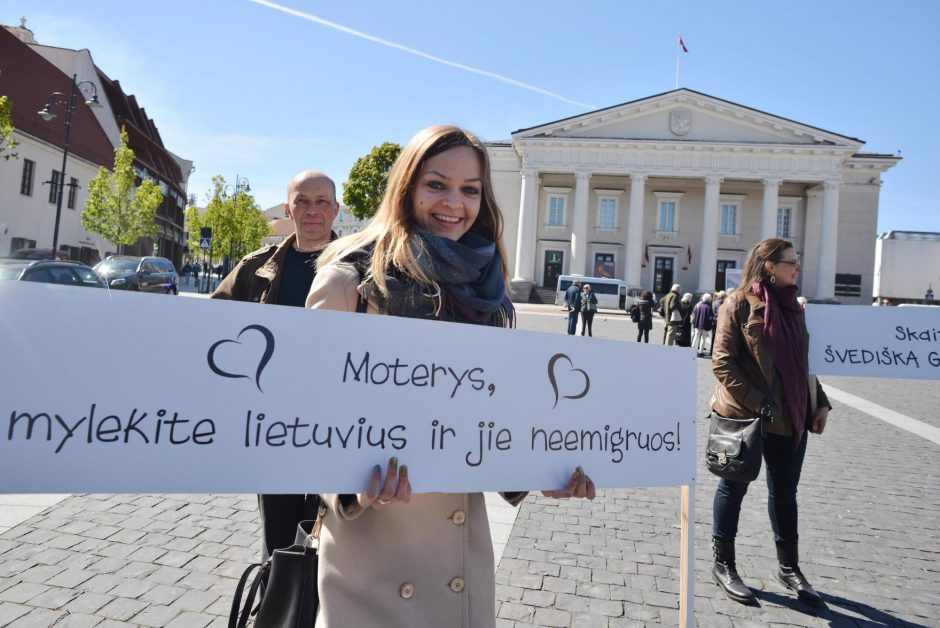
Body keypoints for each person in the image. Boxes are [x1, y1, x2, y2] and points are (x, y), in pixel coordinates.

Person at [306, 125, 596, 628]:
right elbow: (299, 423)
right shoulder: (350, 282)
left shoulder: (489, 291)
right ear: (407, 188)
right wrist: (351, 489)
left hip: (461, 566)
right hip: (373, 566)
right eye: (436, 184)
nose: (454, 203)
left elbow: (488, 422)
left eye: (470, 190)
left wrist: (542, 472)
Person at [212, 170, 340, 560]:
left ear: (336, 209)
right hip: (275, 425)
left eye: (321, 202)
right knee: (280, 539)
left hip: (338, 426)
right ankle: (279, 606)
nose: (312, 210)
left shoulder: (364, 267)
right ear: (289, 209)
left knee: (336, 540)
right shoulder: (256, 267)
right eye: (302, 201)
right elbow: (211, 328)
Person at [709, 238, 831, 608]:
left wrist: (819, 402)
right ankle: (723, 564)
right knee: (733, 489)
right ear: (769, 266)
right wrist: (760, 404)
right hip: (746, 416)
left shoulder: (795, 308)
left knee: (785, 494)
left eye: (797, 261)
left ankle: (789, 567)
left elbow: (800, 364)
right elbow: (722, 363)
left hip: (791, 415)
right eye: (791, 262)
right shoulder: (737, 303)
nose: (798, 268)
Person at [691, 293, 714, 357]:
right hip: (705, 324)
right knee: (703, 338)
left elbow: (694, 313)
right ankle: (700, 351)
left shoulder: (699, 305)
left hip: (697, 323)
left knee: (696, 336)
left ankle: (692, 349)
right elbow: (710, 317)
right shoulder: (709, 307)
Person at [709, 290, 726, 354]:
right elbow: (720, 312)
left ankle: (711, 350)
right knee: (717, 337)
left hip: (714, 321)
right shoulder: (720, 302)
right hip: (718, 321)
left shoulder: (714, 302)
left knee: (713, 336)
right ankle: (714, 351)